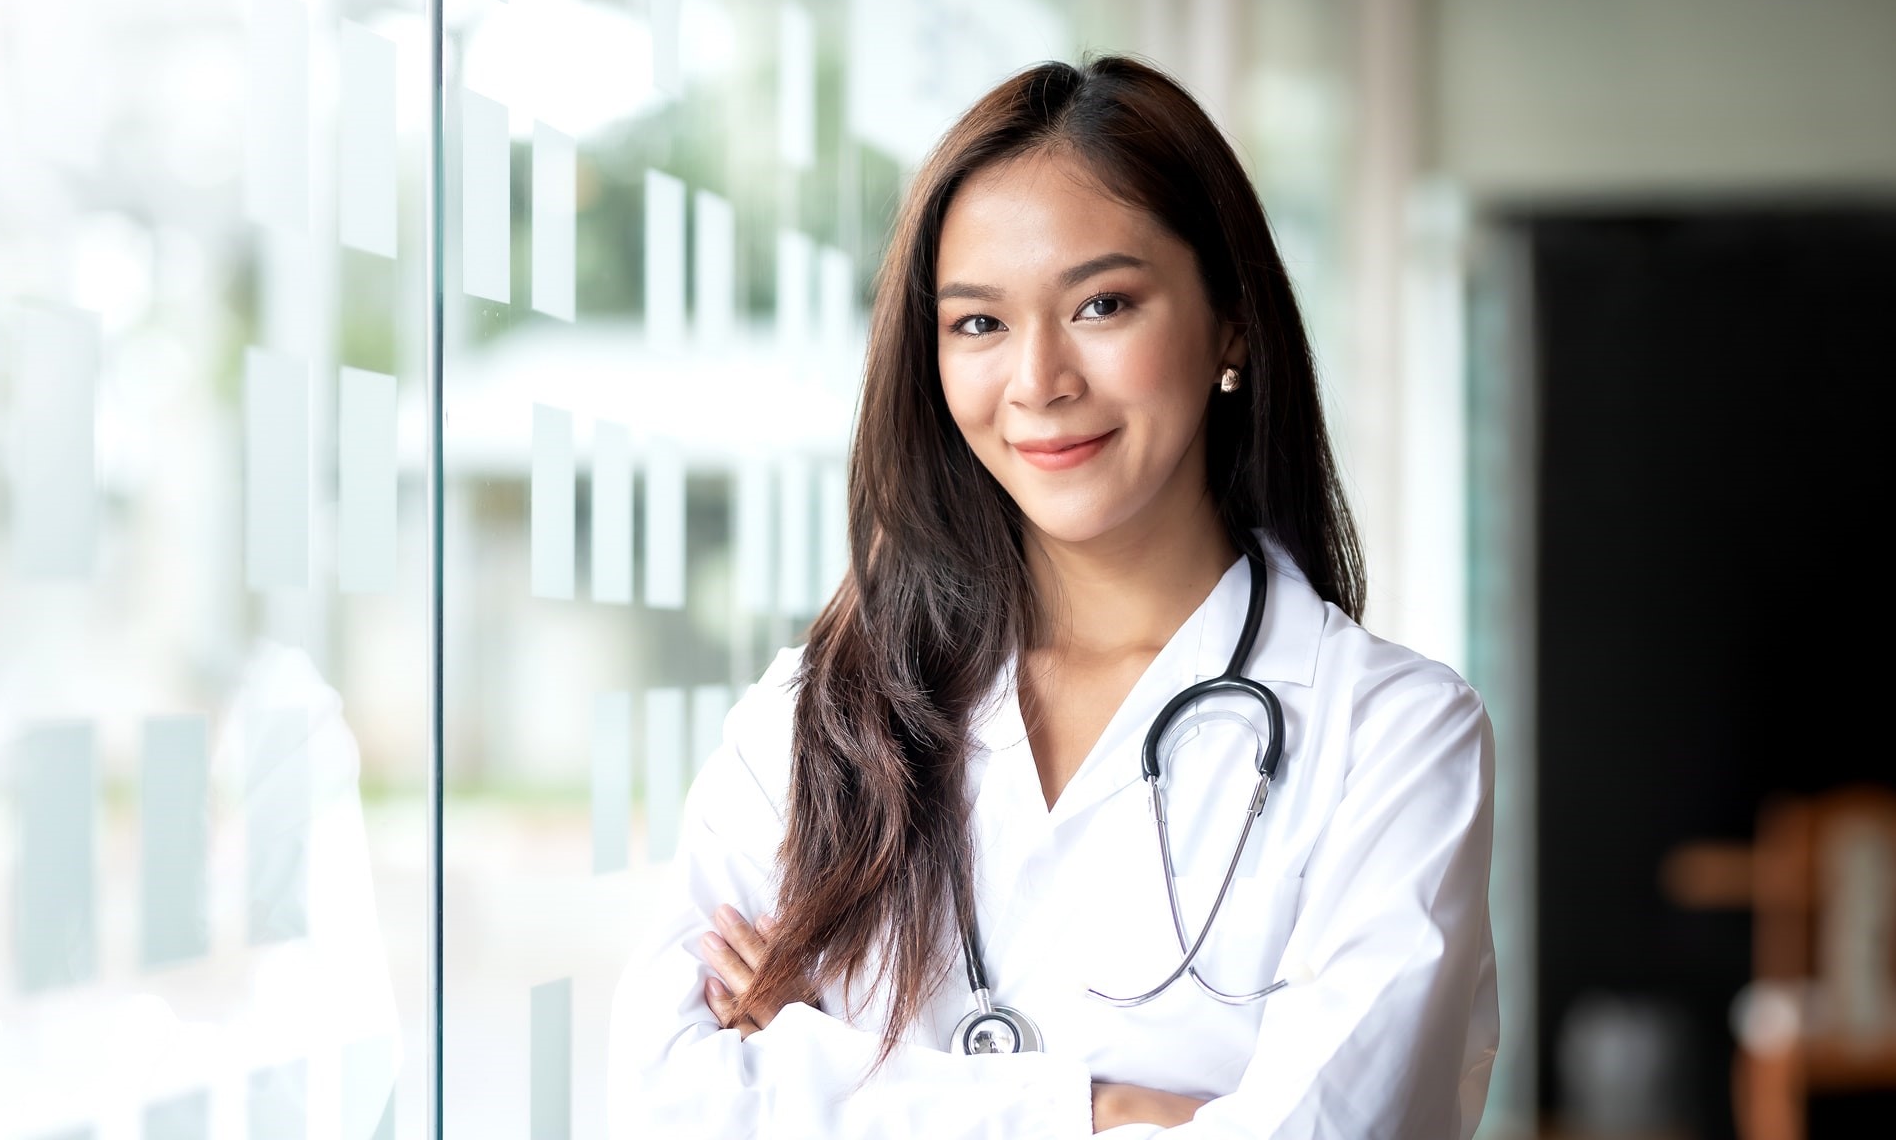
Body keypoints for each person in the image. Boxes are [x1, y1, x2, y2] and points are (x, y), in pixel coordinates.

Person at [605, 56, 1496, 1138]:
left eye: (1102, 304)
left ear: (1230, 323)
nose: (1037, 380)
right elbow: (662, 1099)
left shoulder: (1392, 737)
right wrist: (1103, 1108)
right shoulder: (819, 714)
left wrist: (823, 1073)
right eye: (978, 323)